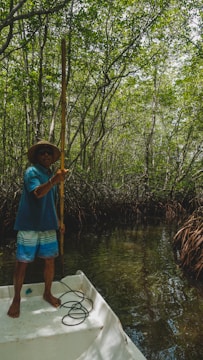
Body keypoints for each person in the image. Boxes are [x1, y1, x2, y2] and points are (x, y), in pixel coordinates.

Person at [7, 140, 68, 318]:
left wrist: (58, 221)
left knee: (50, 260)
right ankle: (16, 300)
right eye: (42, 152)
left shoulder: (51, 174)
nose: (46, 155)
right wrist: (55, 180)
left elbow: (51, 202)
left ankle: (47, 293)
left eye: (49, 153)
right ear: (37, 156)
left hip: (48, 225)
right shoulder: (31, 172)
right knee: (22, 262)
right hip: (29, 225)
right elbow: (38, 193)